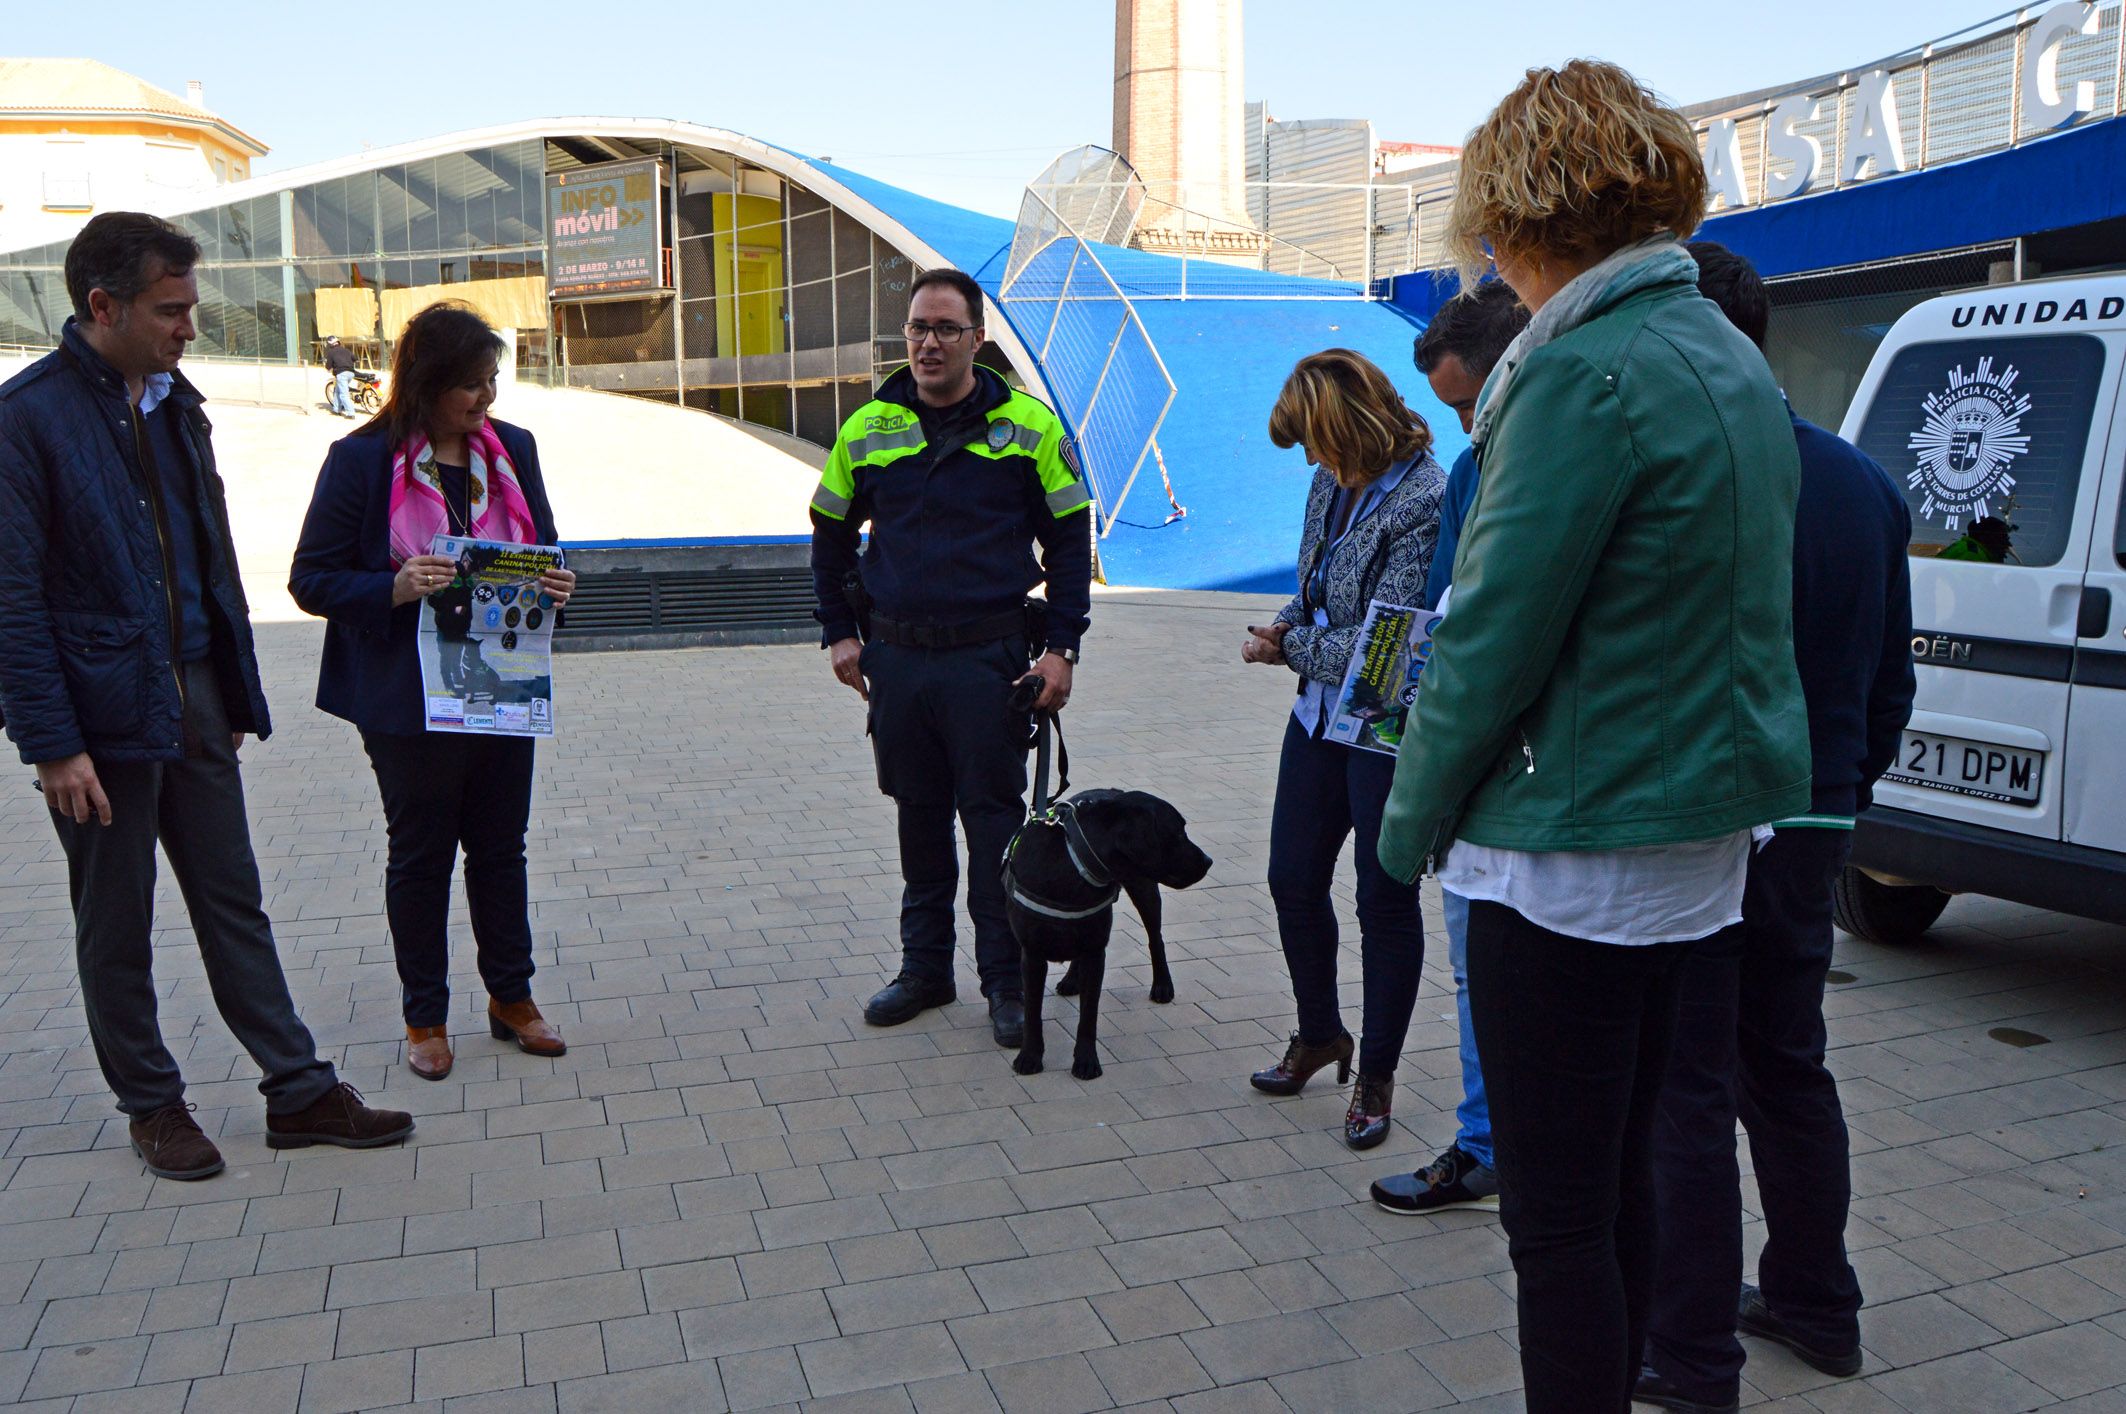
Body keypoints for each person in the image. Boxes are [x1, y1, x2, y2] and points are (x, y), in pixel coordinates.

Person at [1374, 61, 1814, 1413]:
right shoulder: (1723, 357)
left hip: (1569, 847)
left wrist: (1403, 828)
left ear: (1524, 217)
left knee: (1557, 1224)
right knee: (1634, 1176)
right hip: (1693, 845)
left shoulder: (1580, 370)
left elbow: (1493, 637)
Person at [0, 212, 413, 1179]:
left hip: (188, 694)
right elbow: (10, 598)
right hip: (98, 722)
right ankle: (153, 1105)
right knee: (117, 918)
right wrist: (53, 745)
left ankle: (298, 1090)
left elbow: (209, 561)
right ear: (103, 307)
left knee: (236, 903)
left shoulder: (175, 403)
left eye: (191, 306)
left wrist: (229, 690)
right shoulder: (28, 420)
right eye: (170, 309)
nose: (191, 326)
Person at [1634, 243, 1916, 1414]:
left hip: (1708, 817)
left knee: (1687, 1083)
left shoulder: (1690, 474)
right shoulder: (1857, 482)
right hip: (1811, 818)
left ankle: (1689, 1352)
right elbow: (1890, 676)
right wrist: (1841, 792)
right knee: (1786, 1065)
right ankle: (1815, 1301)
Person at [289, 301, 577, 1081]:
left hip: (501, 683)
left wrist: (555, 582)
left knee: (500, 848)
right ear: (427, 382)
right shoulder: (361, 460)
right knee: (420, 855)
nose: (486, 402)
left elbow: (544, 544)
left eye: (491, 383)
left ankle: (512, 999)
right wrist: (394, 584)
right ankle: (425, 1015)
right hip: (403, 695)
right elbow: (309, 578)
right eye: (471, 387)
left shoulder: (512, 451)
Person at [810, 268, 1093, 1047]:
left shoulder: (1029, 427)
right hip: (897, 664)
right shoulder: (867, 427)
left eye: (944, 329)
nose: (928, 343)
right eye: (917, 329)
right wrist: (838, 630)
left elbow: (1071, 539)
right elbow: (828, 535)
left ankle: (1005, 983)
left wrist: (1063, 649)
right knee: (920, 824)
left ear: (977, 340)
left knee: (994, 827)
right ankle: (926, 970)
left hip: (989, 663)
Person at [1241, 349, 1443, 1150]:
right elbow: (1318, 583)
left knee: (1381, 898)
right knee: (1291, 877)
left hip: (1383, 727)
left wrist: (1287, 652)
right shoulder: (1332, 479)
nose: (1315, 464)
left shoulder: (1423, 498)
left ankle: (1379, 1076)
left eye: (1319, 445)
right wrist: (1287, 621)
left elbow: (1389, 653)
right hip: (1319, 718)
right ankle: (1320, 1033)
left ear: (1350, 427)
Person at [1370, 281, 1526, 1212]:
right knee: (1479, 969)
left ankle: (1522, 1148)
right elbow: (1431, 621)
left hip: (1561, 793)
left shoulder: (1566, 452)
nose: (1465, 425)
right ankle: (1486, 1142)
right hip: (1479, 782)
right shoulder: (1475, 473)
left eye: (1471, 403)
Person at [324, 334, 359, 418]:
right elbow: (355, 358)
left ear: (330, 345)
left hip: (342, 374)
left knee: (343, 394)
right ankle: (336, 409)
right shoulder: (346, 350)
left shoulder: (331, 353)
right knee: (337, 390)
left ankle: (351, 413)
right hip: (351, 373)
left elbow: (328, 366)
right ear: (338, 342)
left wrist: (329, 367)